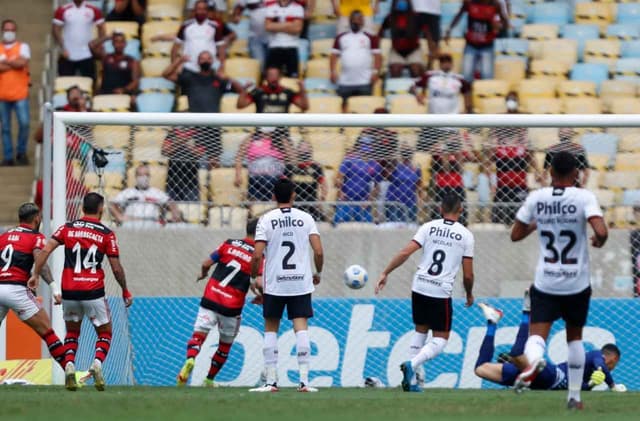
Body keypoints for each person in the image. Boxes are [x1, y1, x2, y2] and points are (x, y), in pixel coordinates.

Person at [510, 151, 608, 409]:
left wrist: (538, 223)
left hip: (546, 282)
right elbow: (601, 230)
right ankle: (574, 397)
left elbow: (515, 234)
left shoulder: (537, 197)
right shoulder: (584, 196)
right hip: (576, 282)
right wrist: (599, 240)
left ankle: (535, 363)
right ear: (576, 174)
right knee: (574, 339)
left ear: (550, 173)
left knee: (536, 337)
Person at [30, 193, 133, 392]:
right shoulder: (106, 233)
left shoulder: (67, 228)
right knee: (105, 333)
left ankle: (69, 365)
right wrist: (125, 290)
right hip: (93, 291)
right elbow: (116, 268)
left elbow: (45, 251)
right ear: (101, 209)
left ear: (82, 208)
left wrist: (35, 274)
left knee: (72, 332)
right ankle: (97, 364)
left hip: (69, 290)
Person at [375, 193, 474, 392]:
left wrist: (386, 272)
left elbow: (405, 253)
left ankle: (412, 382)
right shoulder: (466, 235)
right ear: (461, 210)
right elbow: (468, 274)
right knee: (441, 339)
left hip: (419, 286)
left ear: (440, 209)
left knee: (420, 330)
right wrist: (469, 293)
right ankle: (412, 364)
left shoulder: (428, 227)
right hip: (440, 290)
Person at [249, 178, 324, 393]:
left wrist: (255, 277)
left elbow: (256, 255)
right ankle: (304, 382)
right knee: (301, 328)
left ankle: (271, 382)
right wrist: (317, 273)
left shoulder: (266, 219)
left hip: (275, 283)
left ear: (273, 197)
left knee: (271, 328)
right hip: (300, 282)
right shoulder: (306, 218)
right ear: (294, 196)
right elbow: (318, 251)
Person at [177, 219, 260, 387]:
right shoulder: (259, 256)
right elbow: (257, 282)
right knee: (224, 346)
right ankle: (209, 380)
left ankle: (191, 359)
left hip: (211, 297)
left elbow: (206, 263)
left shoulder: (229, 244)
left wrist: (203, 274)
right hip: (232, 307)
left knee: (198, 336)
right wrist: (261, 296)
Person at [474, 300, 627, 392]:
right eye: (615, 364)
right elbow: (600, 364)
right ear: (612, 359)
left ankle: (493, 322)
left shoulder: (585, 375)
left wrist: (591, 384)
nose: (612, 367)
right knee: (516, 356)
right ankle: (527, 312)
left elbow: (580, 388)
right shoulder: (595, 355)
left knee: (480, 369)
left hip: (533, 381)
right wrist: (612, 385)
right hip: (551, 376)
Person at [0, 203, 71, 382]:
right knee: (47, 332)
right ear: (37, 218)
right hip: (16, 289)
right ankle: (70, 372)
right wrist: (54, 287)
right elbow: (40, 260)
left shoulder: (4, 236)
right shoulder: (35, 237)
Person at [163, 51, 245, 169]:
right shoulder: (190, 78)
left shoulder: (218, 79)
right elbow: (165, 74)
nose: (205, 61)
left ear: (212, 61)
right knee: (191, 161)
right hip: (193, 125)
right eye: (202, 58)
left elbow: (241, 90)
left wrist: (228, 77)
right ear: (198, 62)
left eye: (208, 58)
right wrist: (179, 61)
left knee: (214, 164)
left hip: (213, 126)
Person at [483, 93, 539, 225]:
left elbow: (532, 158)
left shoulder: (524, 144)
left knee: (522, 221)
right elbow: (487, 163)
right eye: (509, 100)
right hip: (502, 188)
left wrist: (538, 172)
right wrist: (489, 178)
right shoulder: (498, 146)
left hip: (520, 186)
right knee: (499, 222)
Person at [330, 10, 381, 112]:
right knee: (344, 110)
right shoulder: (341, 37)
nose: (356, 22)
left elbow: (377, 56)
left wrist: (375, 72)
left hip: (365, 81)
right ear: (349, 21)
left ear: (363, 22)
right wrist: (333, 72)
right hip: (345, 82)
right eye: (354, 20)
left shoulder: (370, 38)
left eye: (359, 19)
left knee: (364, 109)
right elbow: (333, 56)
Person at [445, 0, 508, 82]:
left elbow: (505, 23)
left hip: (487, 45)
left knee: (487, 76)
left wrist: (499, 26)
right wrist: (449, 29)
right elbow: (459, 15)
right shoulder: (469, 3)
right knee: (466, 75)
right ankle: (467, 93)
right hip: (471, 44)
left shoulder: (495, 5)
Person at [110, 164, 182, 227]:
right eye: (140, 175)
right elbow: (112, 205)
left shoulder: (156, 192)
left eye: (146, 175)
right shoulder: (127, 192)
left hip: (152, 224)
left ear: (149, 176)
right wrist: (119, 217)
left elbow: (171, 203)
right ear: (136, 176)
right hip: (131, 223)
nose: (144, 177)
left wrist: (175, 213)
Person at [0, 19, 31, 166]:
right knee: (5, 127)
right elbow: (16, 64)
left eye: (12, 30)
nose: (9, 32)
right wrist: (14, 62)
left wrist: (5, 61)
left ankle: (21, 152)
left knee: (24, 124)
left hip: (20, 94)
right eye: (6, 29)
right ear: (2, 31)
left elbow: (22, 63)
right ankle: (8, 157)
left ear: (15, 31)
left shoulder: (23, 46)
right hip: (2, 94)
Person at [234, 127, 294, 202]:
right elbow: (239, 157)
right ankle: (253, 210)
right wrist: (238, 175)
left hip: (276, 179)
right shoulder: (252, 138)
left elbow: (292, 158)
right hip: (255, 179)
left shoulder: (280, 140)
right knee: (254, 202)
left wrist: (281, 138)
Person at [333, 137, 383, 224]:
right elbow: (338, 178)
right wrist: (340, 192)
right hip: (346, 201)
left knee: (367, 229)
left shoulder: (374, 165)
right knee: (339, 225)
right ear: (358, 146)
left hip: (363, 203)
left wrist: (369, 201)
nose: (365, 150)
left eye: (368, 146)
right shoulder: (349, 160)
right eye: (363, 145)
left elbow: (377, 186)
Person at [53, 0, 106, 78]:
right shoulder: (62, 9)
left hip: (87, 55)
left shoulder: (94, 9)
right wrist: (62, 48)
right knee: (66, 85)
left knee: (90, 84)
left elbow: (101, 28)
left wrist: (98, 45)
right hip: (67, 54)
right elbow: (55, 30)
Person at [172, 0, 227, 74]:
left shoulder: (215, 26)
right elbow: (175, 48)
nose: (201, 11)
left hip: (209, 67)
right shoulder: (185, 26)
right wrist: (175, 67)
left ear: (207, 11)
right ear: (194, 10)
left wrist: (221, 67)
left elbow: (221, 49)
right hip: (189, 67)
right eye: (199, 9)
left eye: (204, 9)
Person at [379, 0, 426, 78]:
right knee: (395, 71)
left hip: (413, 50)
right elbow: (381, 32)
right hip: (397, 51)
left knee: (416, 70)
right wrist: (379, 50)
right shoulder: (390, 17)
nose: (401, 2)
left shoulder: (416, 17)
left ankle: (416, 89)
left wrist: (432, 48)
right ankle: (396, 89)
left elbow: (426, 32)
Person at [284, 140, 327, 221]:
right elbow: (282, 185)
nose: (304, 150)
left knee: (320, 220)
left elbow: (324, 185)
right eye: (302, 148)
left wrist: (321, 200)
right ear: (297, 151)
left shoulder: (316, 167)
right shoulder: (290, 167)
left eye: (306, 148)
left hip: (311, 202)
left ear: (311, 151)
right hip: (294, 202)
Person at [237, 66, 309, 114]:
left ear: (280, 77)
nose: (274, 78)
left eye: (276, 75)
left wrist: (302, 89)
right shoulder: (258, 92)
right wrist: (244, 89)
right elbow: (240, 105)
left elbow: (304, 106)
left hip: (282, 133)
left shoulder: (287, 92)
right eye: (271, 75)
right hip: (262, 132)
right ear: (266, 78)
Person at [264, 0, 304, 77]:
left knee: (292, 78)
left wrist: (276, 26)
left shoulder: (298, 8)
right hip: (274, 46)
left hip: (291, 47)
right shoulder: (270, 7)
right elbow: (268, 26)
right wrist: (290, 24)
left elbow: (297, 29)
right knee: (272, 78)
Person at [385, 146, 422, 223]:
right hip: (395, 202)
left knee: (410, 225)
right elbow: (387, 177)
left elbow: (418, 184)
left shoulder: (416, 169)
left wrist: (420, 199)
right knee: (394, 225)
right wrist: (392, 164)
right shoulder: (396, 167)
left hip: (410, 201)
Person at [233, 0, 269, 66]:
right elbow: (239, 6)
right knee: (259, 66)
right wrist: (237, 15)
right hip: (255, 38)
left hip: (274, 39)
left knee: (272, 68)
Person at [412, 0, 442, 70]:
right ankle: (415, 67)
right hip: (415, 8)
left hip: (433, 10)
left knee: (434, 44)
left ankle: (429, 67)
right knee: (411, 40)